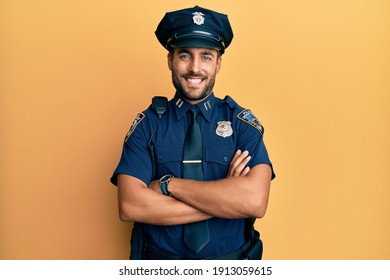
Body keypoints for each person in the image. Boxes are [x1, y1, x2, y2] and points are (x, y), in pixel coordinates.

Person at [110, 6, 275, 260]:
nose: (195, 68)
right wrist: (226, 199)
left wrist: (167, 185)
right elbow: (130, 205)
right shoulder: (148, 124)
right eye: (185, 55)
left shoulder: (241, 123)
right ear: (170, 60)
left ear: (218, 64)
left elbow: (254, 202)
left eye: (206, 56)